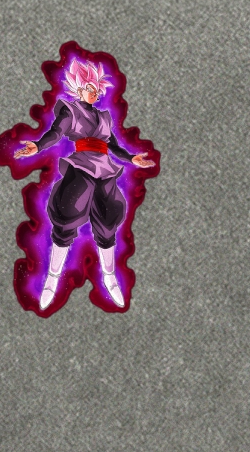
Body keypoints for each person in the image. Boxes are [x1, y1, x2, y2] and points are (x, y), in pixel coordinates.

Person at [13, 58, 155, 309]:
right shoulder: (70, 111)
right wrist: (38, 145)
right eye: (91, 88)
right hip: (81, 166)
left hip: (105, 170)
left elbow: (113, 146)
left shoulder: (104, 117)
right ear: (79, 89)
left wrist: (132, 158)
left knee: (108, 220)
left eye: (98, 90)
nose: (95, 93)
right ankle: (52, 278)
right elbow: (56, 133)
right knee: (67, 215)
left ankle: (109, 276)